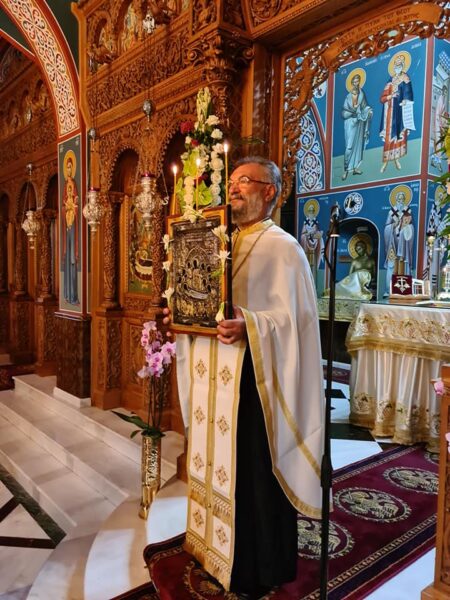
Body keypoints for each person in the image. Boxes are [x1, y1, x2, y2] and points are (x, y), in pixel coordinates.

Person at [165, 157, 324, 598]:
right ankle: (212, 548)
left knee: (252, 474)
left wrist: (250, 325)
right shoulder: (218, 242)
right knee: (217, 465)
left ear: (270, 192)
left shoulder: (284, 249)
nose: (233, 189)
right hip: (215, 379)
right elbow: (204, 302)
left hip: (256, 385)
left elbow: (296, 323)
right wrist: (180, 314)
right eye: (232, 182)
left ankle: (255, 567)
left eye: (244, 182)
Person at [380, 53, 414, 173]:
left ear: (403, 66)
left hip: (400, 111)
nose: (397, 67)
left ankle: (397, 160)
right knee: (389, 136)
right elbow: (382, 98)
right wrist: (390, 96)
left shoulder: (405, 78)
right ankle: (385, 162)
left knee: (399, 135)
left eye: (399, 65)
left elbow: (409, 92)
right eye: (396, 65)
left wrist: (405, 100)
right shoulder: (390, 81)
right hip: (390, 113)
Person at [341, 72, 373, 180]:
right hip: (350, 123)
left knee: (358, 146)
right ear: (352, 83)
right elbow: (344, 112)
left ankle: (354, 168)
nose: (356, 83)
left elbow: (364, 106)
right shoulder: (348, 97)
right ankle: (346, 169)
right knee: (349, 147)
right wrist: (352, 113)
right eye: (354, 82)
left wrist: (368, 111)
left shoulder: (361, 94)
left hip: (359, 123)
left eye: (357, 81)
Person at [384, 190, 414, 294]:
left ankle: (405, 291)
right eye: (399, 199)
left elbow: (411, 226)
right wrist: (393, 225)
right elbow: (387, 227)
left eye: (402, 199)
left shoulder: (407, 211)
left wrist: (405, 230)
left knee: (404, 265)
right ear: (396, 199)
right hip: (392, 243)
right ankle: (388, 290)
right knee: (391, 265)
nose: (401, 201)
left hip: (403, 245)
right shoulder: (392, 212)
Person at [62, 155, 79, 304]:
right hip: (67, 225)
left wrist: (72, 207)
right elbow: (63, 206)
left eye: (70, 167)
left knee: (73, 258)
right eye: (67, 167)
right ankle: (67, 295)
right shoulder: (64, 190)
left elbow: (76, 206)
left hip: (73, 225)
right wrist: (67, 207)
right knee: (68, 259)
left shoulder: (74, 186)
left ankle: (73, 296)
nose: (68, 170)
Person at [299, 200, 324, 283]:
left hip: (314, 251)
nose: (311, 212)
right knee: (307, 266)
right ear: (307, 212)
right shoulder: (305, 222)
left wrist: (315, 235)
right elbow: (302, 235)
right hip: (306, 249)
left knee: (313, 268)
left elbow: (318, 234)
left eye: (312, 211)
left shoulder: (315, 222)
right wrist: (307, 235)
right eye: (309, 211)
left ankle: (313, 282)